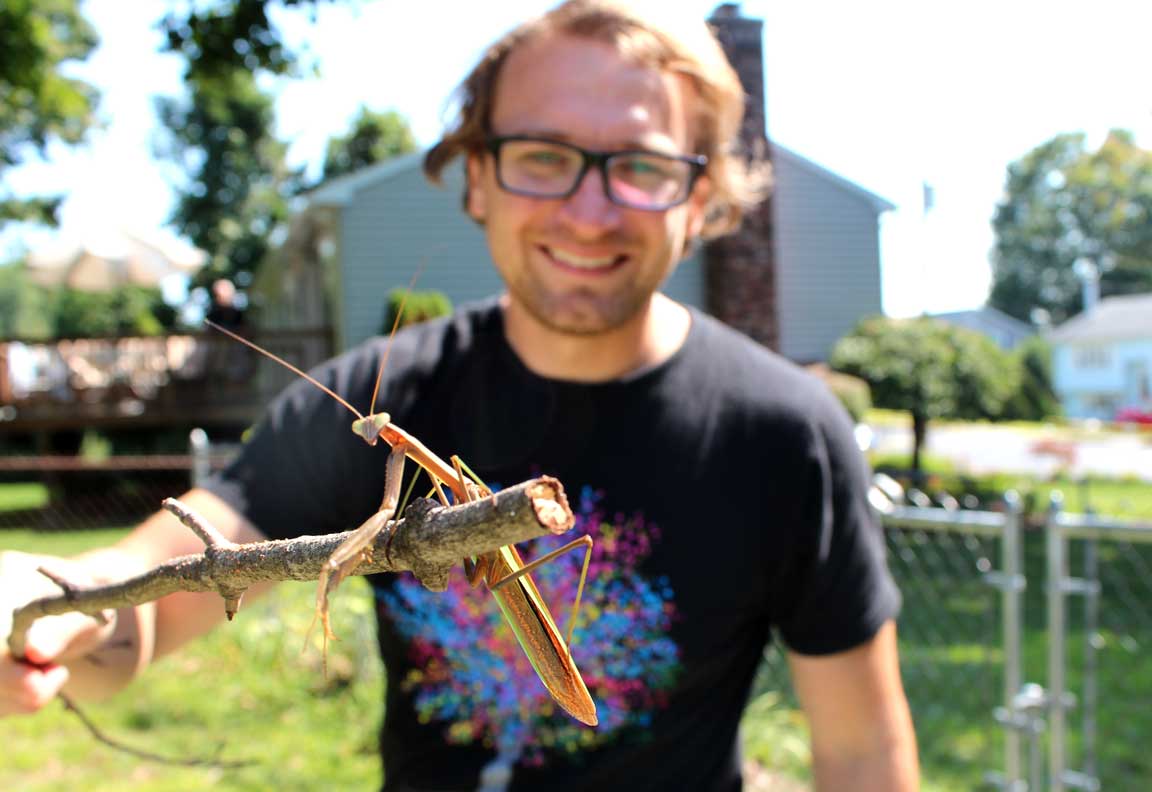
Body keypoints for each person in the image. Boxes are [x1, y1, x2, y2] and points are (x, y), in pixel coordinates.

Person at [0, 2, 919, 789]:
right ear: (474, 175)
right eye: (541, 155)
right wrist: (48, 606)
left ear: (703, 196)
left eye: (639, 165)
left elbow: (864, 753)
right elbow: (170, 581)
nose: (588, 211)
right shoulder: (368, 389)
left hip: (543, 621)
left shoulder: (789, 436)